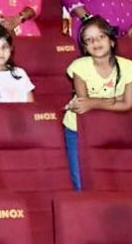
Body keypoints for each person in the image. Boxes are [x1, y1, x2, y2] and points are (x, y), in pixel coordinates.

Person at [63, 16, 132, 190]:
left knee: (112, 179)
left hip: (113, 128)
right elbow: (83, 103)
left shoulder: (128, 67)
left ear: (112, 41)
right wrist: (114, 100)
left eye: (101, 36)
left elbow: (127, 104)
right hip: (77, 128)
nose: (96, 42)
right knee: (81, 179)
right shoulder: (79, 66)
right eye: (89, 40)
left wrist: (94, 103)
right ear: (85, 48)